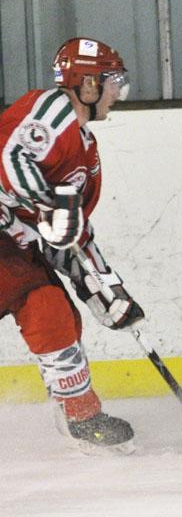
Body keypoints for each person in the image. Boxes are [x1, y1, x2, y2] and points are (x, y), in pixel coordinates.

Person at [0, 37, 143, 455]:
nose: (118, 92)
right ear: (88, 84)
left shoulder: (85, 149)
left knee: (52, 311)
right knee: (42, 301)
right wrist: (47, 205)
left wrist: (102, 286)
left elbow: (69, 233)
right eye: (112, 81)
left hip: (15, 247)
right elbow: (9, 157)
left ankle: (80, 414)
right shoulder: (51, 111)